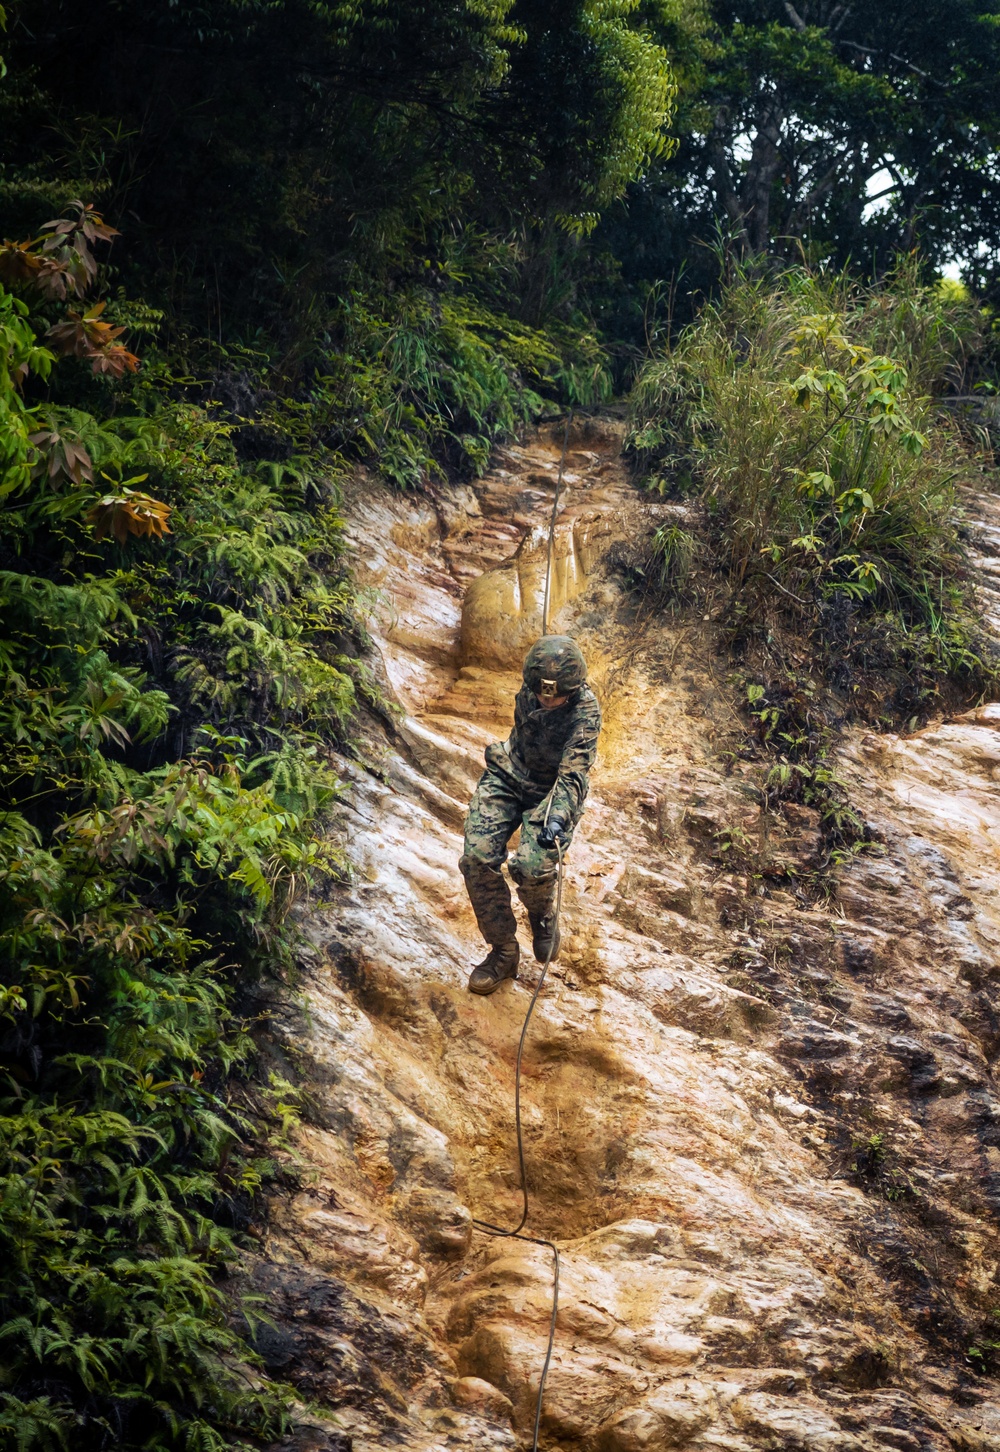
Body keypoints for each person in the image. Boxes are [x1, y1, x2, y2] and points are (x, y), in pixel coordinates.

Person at [460, 635, 602, 995]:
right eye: (541, 693)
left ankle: (542, 915)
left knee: (530, 865)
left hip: (553, 790)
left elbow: (573, 774)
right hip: (510, 772)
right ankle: (504, 952)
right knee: (476, 858)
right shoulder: (531, 686)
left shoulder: (585, 713)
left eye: (555, 696)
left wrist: (558, 817)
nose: (547, 700)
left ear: (574, 688)